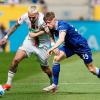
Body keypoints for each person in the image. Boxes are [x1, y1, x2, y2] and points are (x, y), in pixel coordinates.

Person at [42, 12, 100, 92]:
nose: (47, 25)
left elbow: (61, 39)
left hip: (81, 46)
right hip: (69, 47)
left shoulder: (62, 25)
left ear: (54, 20)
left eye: (48, 23)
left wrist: (52, 48)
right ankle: (55, 84)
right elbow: (51, 35)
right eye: (46, 23)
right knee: (56, 59)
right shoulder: (50, 27)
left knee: (91, 69)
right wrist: (53, 44)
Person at [0, 6, 53, 91]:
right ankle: (8, 84)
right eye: (29, 17)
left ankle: (52, 82)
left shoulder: (43, 19)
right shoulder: (25, 16)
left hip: (43, 45)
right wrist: (6, 37)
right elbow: (15, 26)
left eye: (33, 17)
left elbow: (50, 32)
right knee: (16, 60)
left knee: (45, 69)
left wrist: (52, 45)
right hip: (30, 41)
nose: (31, 19)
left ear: (37, 14)